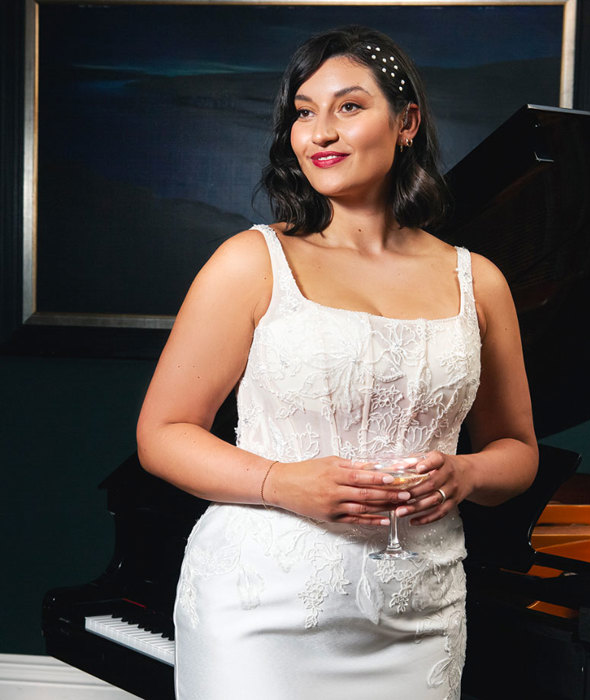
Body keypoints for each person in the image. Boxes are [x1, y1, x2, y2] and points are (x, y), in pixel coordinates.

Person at [136, 25, 537, 700]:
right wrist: (280, 483)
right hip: (260, 612)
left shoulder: (480, 283)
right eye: (303, 112)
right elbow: (162, 434)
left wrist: (466, 472)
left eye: (348, 107)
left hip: (422, 617)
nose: (319, 131)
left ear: (406, 121)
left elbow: (518, 449)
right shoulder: (251, 263)